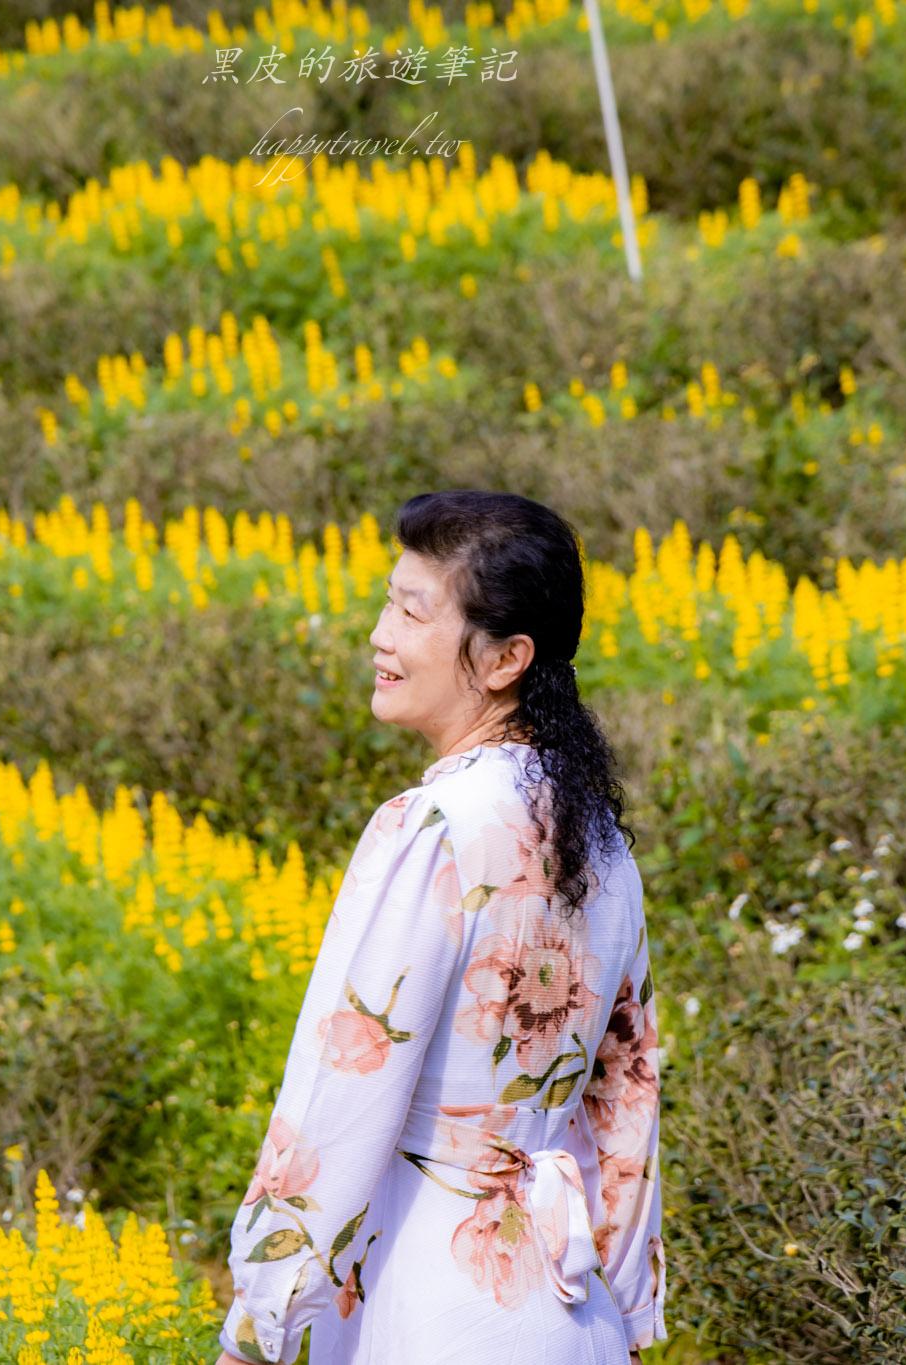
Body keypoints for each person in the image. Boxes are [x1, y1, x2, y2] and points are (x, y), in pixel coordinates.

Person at [214, 490, 666, 1365]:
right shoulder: (602, 840)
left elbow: (338, 1094)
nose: (381, 634)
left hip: (423, 1299)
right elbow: (629, 1098)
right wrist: (628, 1314)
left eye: (411, 611)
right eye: (388, 601)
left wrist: (257, 1325)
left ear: (506, 658)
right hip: (571, 1309)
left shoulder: (432, 827)